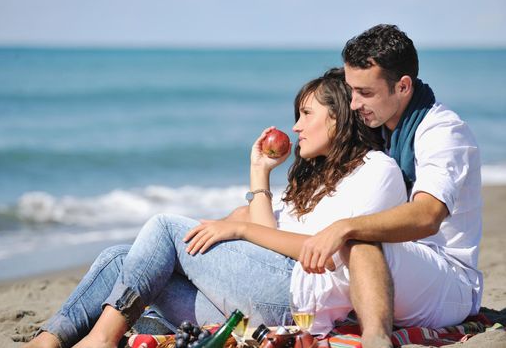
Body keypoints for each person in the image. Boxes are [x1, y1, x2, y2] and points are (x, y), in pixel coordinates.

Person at [24, 68, 407, 348]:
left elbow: (325, 252)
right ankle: (47, 340)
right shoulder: (314, 177)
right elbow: (268, 245)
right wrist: (259, 175)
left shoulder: (375, 170)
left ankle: (101, 339)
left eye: (306, 114)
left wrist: (240, 229)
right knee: (118, 258)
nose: (295, 127)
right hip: (263, 296)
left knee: (165, 228)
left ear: (338, 117)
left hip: (299, 298)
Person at [296, 24, 483, 348]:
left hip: (449, 282)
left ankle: (376, 341)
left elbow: (427, 216)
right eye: (352, 90)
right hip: (401, 267)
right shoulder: (379, 130)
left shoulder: (442, 132)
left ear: (403, 86)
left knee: (360, 238)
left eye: (365, 93)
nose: (353, 104)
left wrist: (345, 227)